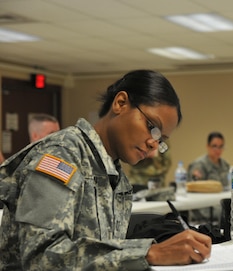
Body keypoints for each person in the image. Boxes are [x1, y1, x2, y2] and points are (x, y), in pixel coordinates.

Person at [0, 70, 211, 270]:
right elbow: (41, 258)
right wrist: (148, 254)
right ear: (120, 103)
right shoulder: (62, 155)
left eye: (161, 140)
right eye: (151, 127)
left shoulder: (114, 176)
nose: (153, 144)